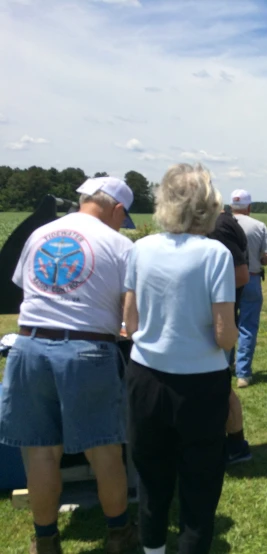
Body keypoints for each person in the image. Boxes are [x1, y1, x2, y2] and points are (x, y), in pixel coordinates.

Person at [0, 177, 139, 554]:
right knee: (104, 450)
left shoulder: (39, 234)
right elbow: (131, 317)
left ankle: (46, 540)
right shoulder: (119, 245)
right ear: (117, 210)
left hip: (28, 347)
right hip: (87, 351)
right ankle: (118, 534)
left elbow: (26, 288)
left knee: (41, 452)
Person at [123, 163, 237, 554]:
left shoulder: (140, 249)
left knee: (152, 478)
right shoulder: (215, 254)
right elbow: (224, 334)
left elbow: (130, 320)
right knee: (199, 482)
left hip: (145, 377)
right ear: (208, 205)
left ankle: (152, 549)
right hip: (200, 384)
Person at [207, 207, 253, 464]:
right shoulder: (222, 222)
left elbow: (241, 274)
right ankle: (234, 445)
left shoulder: (218, 226)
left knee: (219, 384)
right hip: (217, 318)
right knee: (220, 383)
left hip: (216, 321)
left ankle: (234, 445)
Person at [231, 189, 267, 388]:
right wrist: (259, 260)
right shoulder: (259, 226)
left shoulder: (222, 225)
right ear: (249, 207)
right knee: (247, 326)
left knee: (225, 321)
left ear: (232, 206)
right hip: (252, 278)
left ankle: (224, 366)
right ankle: (243, 373)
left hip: (226, 280)